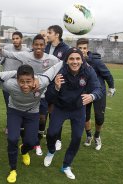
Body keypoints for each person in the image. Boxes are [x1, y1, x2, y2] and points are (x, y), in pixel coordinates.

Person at [0, 34, 62, 156]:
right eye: (36, 44)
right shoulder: (25, 55)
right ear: (32, 46)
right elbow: (10, 54)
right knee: (22, 119)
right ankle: (27, 142)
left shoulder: (51, 59)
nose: (38, 47)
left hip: (42, 93)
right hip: (25, 91)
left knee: (42, 119)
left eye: (41, 45)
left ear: (45, 46)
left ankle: (36, 143)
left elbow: (61, 65)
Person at [43, 48, 103, 179]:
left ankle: (66, 165)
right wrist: (56, 87)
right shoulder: (59, 71)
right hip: (60, 108)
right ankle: (51, 151)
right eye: (71, 59)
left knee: (76, 138)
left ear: (82, 60)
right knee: (52, 133)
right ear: (66, 60)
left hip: (78, 109)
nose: (75, 62)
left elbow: (98, 88)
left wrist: (92, 96)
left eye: (77, 59)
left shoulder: (88, 71)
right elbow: (49, 97)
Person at [0, 62, 63, 183]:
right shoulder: (9, 84)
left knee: (32, 141)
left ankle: (23, 150)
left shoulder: (42, 82)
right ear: (16, 80)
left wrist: (68, 57)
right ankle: (13, 169)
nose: (25, 85)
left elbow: (55, 67)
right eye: (21, 81)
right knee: (12, 139)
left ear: (34, 79)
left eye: (28, 81)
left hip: (32, 113)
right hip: (15, 112)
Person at [76, 38, 115, 150]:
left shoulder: (96, 62)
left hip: (99, 93)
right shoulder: (75, 60)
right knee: (85, 117)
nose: (82, 50)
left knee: (99, 117)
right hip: (84, 94)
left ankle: (97, 136)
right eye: (80, 48)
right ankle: (89, 136)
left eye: (84, 48)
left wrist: (111, 87)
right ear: (76, 48)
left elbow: (107, 75)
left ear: (87, 49)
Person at [45, 25, 70, 151]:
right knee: (44, 111)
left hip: (58, 85)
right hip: (45, 84)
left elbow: (68, 67)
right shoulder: (46, 47)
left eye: (49, 32)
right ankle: (41, 137)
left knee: (55, 113)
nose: (47, 34)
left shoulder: (66, 49)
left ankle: (57, 139)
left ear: (57, 35)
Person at [2, 31, 30, 135]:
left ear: (21, 39)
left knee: (20, 105)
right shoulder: (7, 48)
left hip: (20, 84)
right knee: (9, 105)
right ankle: (9, 126)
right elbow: (0, 60)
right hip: (7, 83)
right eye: (13, 39)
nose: (15, 40)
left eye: (17, 38)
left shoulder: (26, 51)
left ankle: (21, 125)